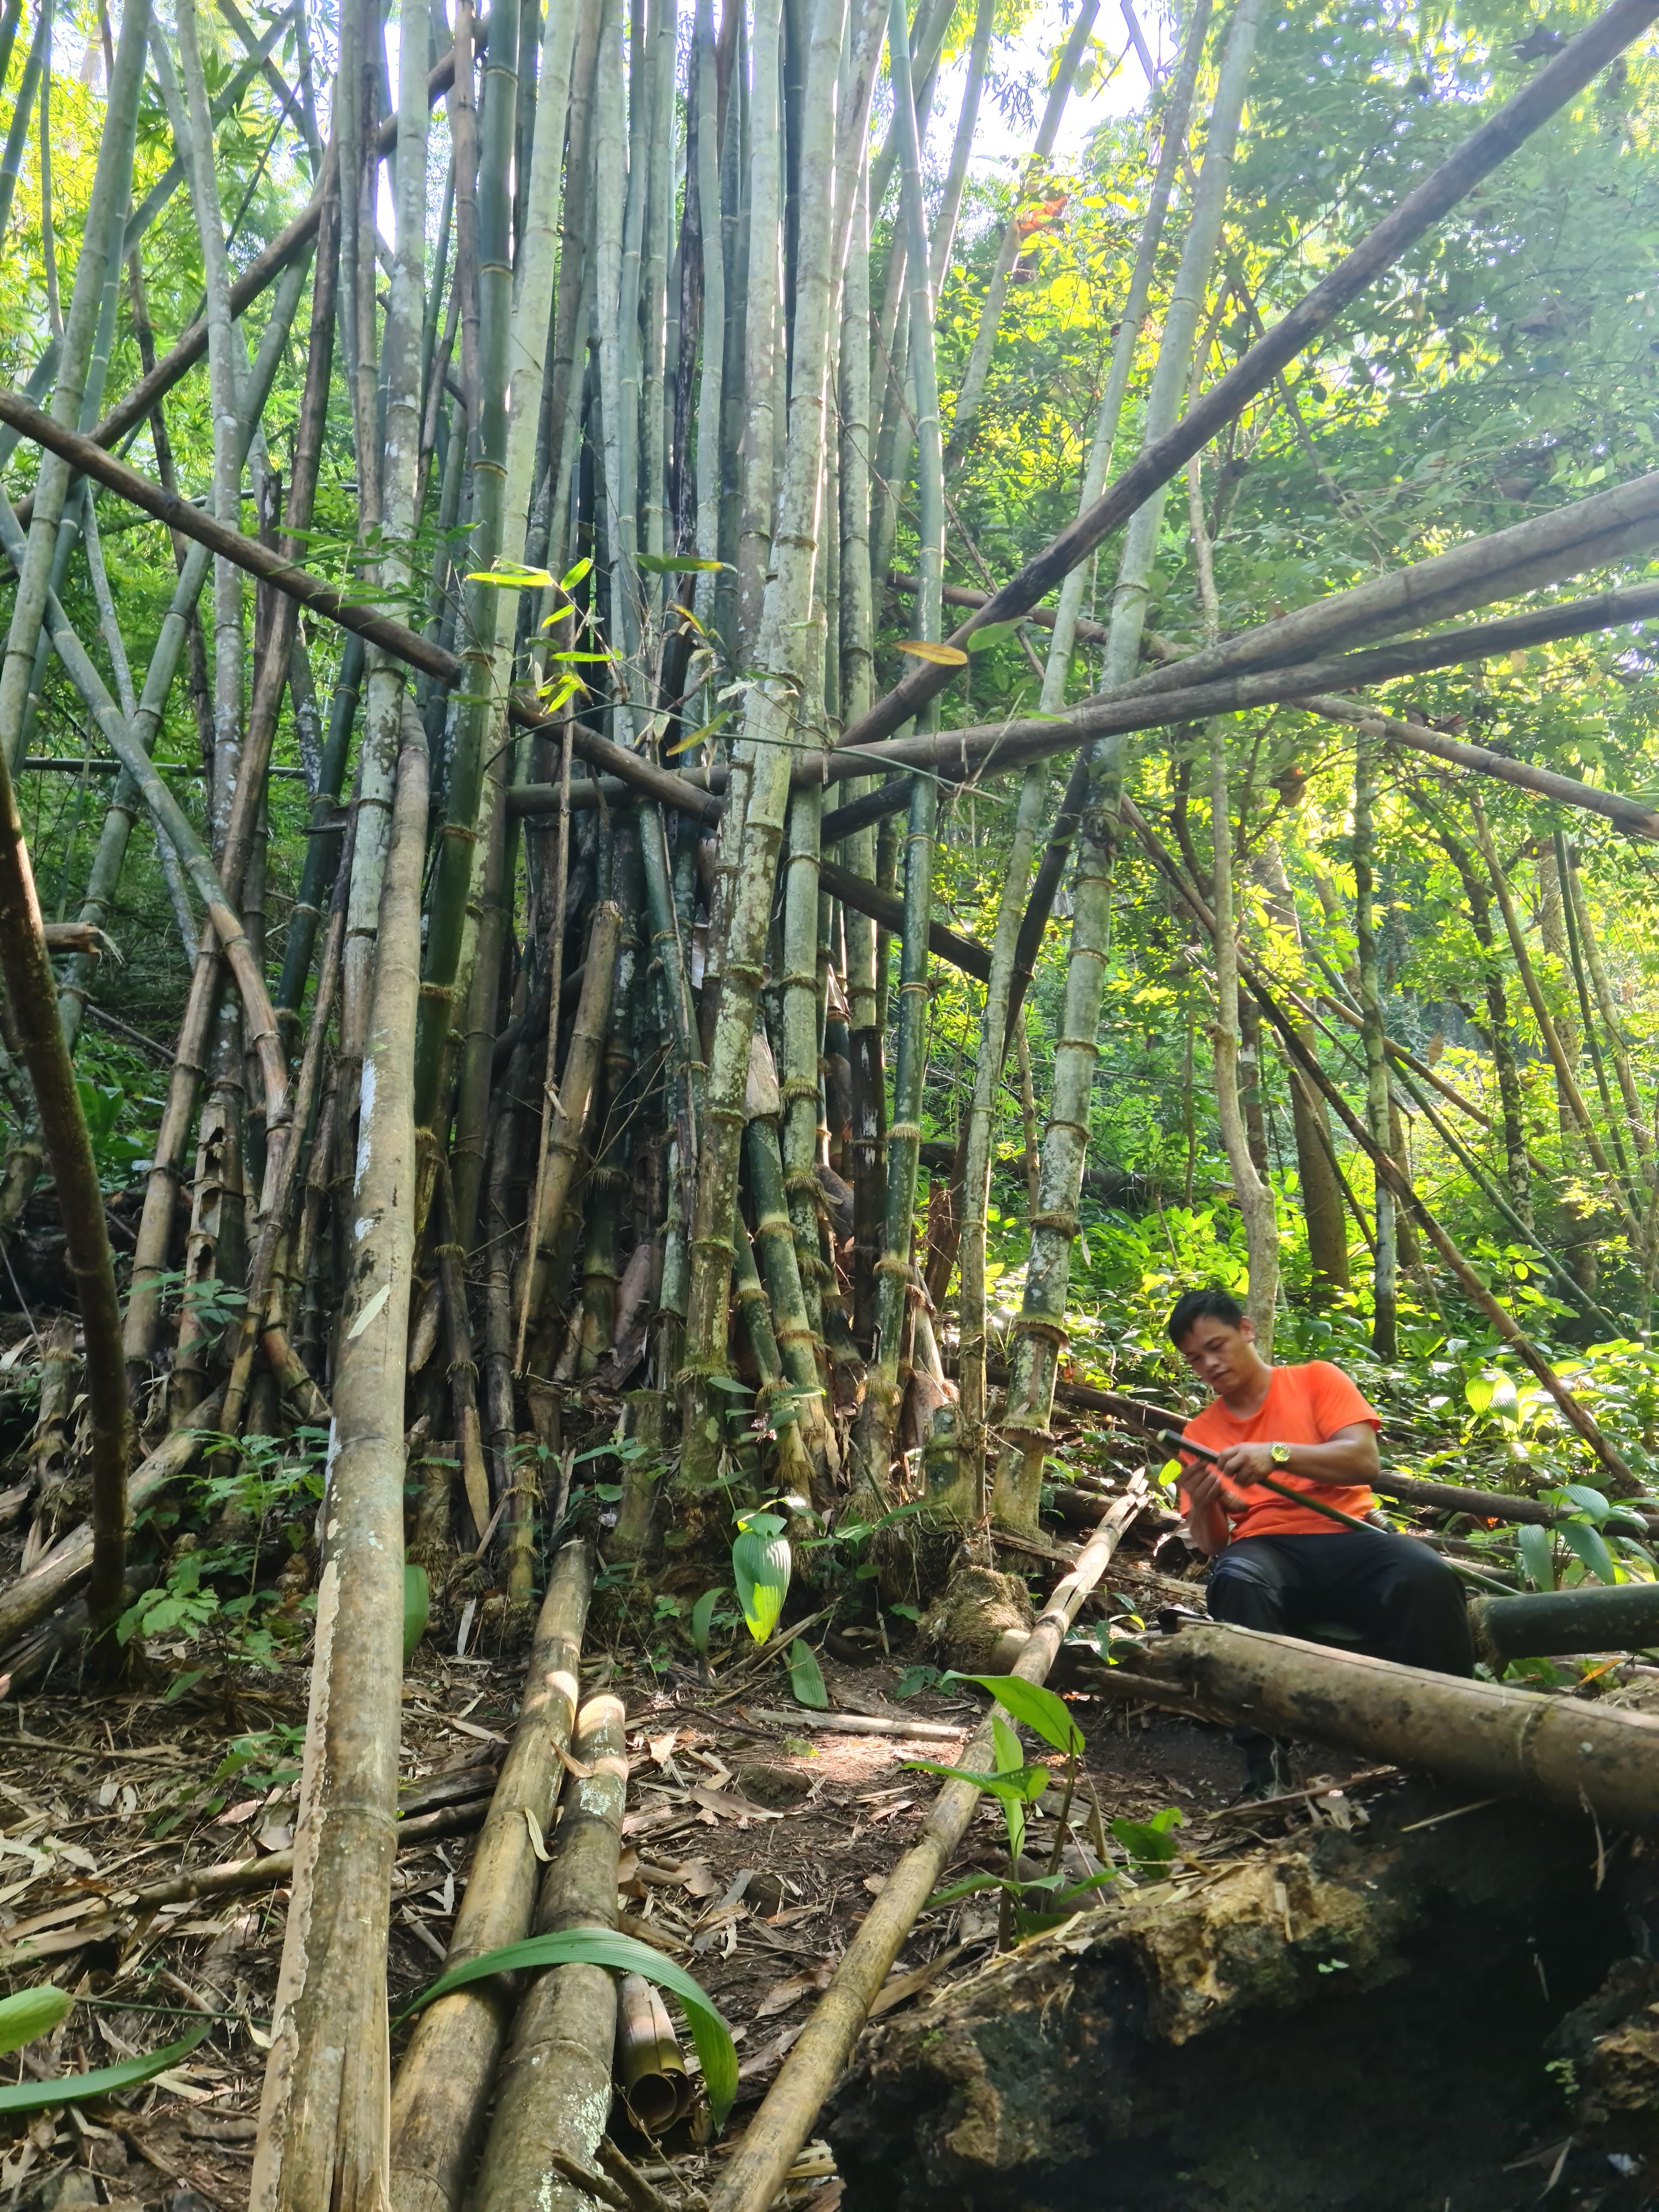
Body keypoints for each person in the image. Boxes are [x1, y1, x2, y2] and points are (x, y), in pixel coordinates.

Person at [1167, 1286, 1473, 1794]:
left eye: (1216, 1346)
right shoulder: (1201, 1433)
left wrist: (1277, 1454)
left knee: (1427, 1575)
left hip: (1349, 1536)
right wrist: (1203, 1502)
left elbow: (1363, 1461)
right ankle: (1267, 1768)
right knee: (1236, 1578)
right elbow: (1214, 1545)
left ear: (1246, 1330)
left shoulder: (1315, 1380)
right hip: (1268, 1550)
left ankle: (1453, 1745)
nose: (1210, 1364)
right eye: (1196, 1359)